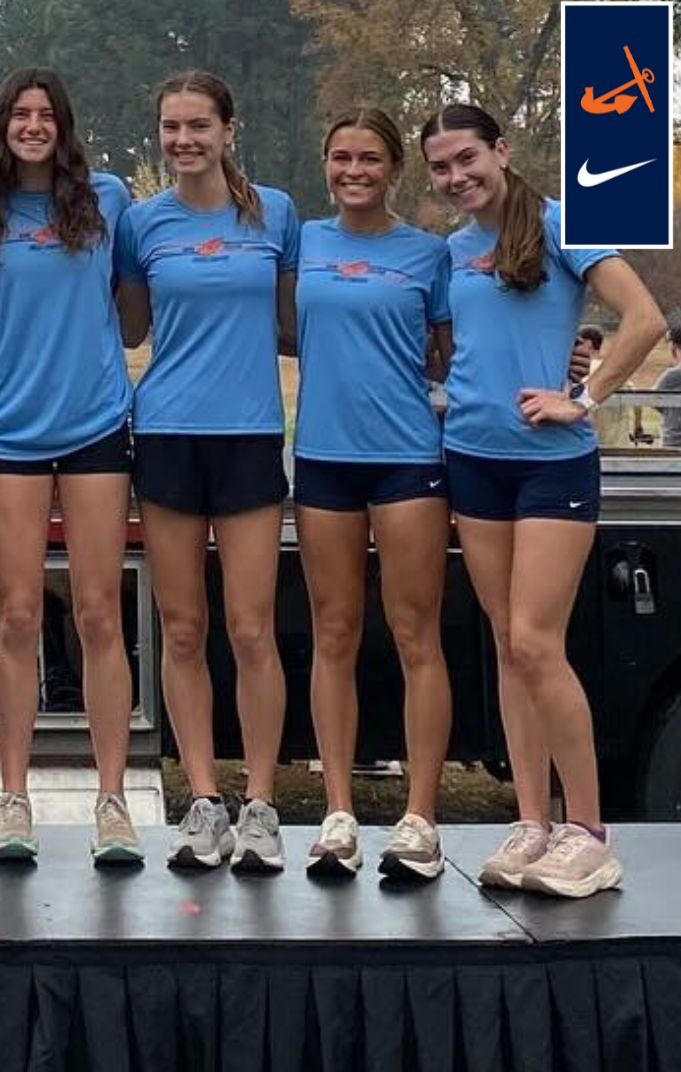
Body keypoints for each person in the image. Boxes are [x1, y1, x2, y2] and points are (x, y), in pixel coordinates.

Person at [421, 102, 662, 898]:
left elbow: (644, 318)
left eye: (467, 159)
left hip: (553, 468)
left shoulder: (563, 224)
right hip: (473, 462)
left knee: (535, 640)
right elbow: (463, 347)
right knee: (504, 641)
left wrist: (583, 399)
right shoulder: (454, 251)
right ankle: (531, 823)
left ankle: (589, 834)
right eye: (441, 168)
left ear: (502, 149)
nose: (458, 177)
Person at [0, 68, 141, 865]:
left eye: (46, 115)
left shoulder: (109, 198)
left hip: (96, 425)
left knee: (98, 613)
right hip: (10, 434)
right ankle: (14, 798)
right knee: (19, 616)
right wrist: (3, 371)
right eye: (19, 114)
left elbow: (132, 315)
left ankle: (112, 800)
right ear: (1, 125)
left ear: (65, 126)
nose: (33, 125)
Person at [114, 70, 299, 872]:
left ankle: (260, 803)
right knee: (183, 631)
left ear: (231, 129)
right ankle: (203, 802)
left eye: (199, 126)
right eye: (170, 128)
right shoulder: (140, 224)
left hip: (251, 436)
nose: (184, 141)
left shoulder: (277, 214)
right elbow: (125, 327)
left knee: (251, 629)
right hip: (167, 436)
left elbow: (300, 323)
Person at [291, 108, 454, 881]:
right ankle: (337, 814)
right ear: (325, 164)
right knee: (334, 634)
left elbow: (454, 353)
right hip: (322, 457)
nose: (354, 171)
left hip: (405, 461)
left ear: (395, 169)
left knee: (416, 633)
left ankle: (420, 818)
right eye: (340, 157)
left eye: (369, 159)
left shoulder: (430, 254)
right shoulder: (303, 242)